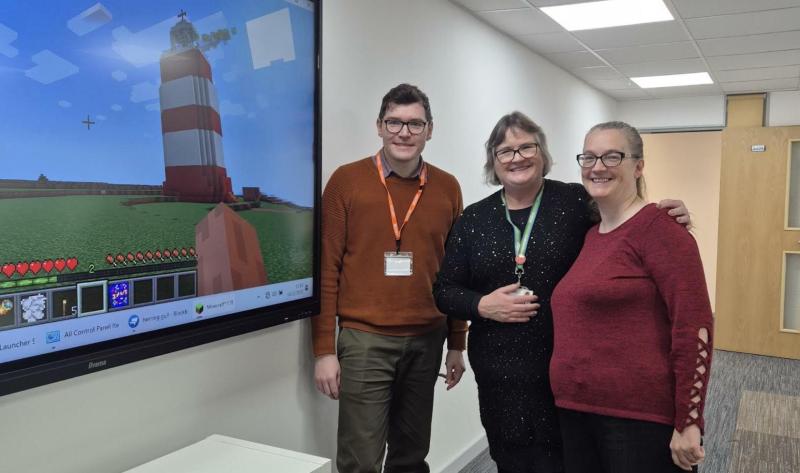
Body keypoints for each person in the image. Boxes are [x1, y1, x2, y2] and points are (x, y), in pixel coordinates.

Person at [433, 112, 690, 473]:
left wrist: (666, 213)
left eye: (526, 147)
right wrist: (482, 305)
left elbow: (625, 215)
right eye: (505, 150)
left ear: (543, 154)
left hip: (569, 372)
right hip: (499, 374)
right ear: (493, 160)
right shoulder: (474, 220)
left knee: (569, 463)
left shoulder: (574, 201)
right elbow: (444, 291)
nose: (517, 157)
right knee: (511, 460)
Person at [311, 83, 468, 473]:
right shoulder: (346, 182)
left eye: (415, 124)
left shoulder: (447, 187)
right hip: (365, 341)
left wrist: (457, 343)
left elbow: (456, 272)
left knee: (411, 457)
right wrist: (324, 351)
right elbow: (326, 269)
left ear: (430, 130)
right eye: (394, 122)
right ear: (379, 127)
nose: (404, 132)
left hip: (427, 339)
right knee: (360, 460)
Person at [550, 121, 713, 473]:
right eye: (589, 157)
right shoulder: (592, 234)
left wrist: (689, 421)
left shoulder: (660, 229)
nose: (598, 167)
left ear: (638, 166)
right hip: (577, 410)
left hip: (636, 418)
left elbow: (694, 325)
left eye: (612, 156)